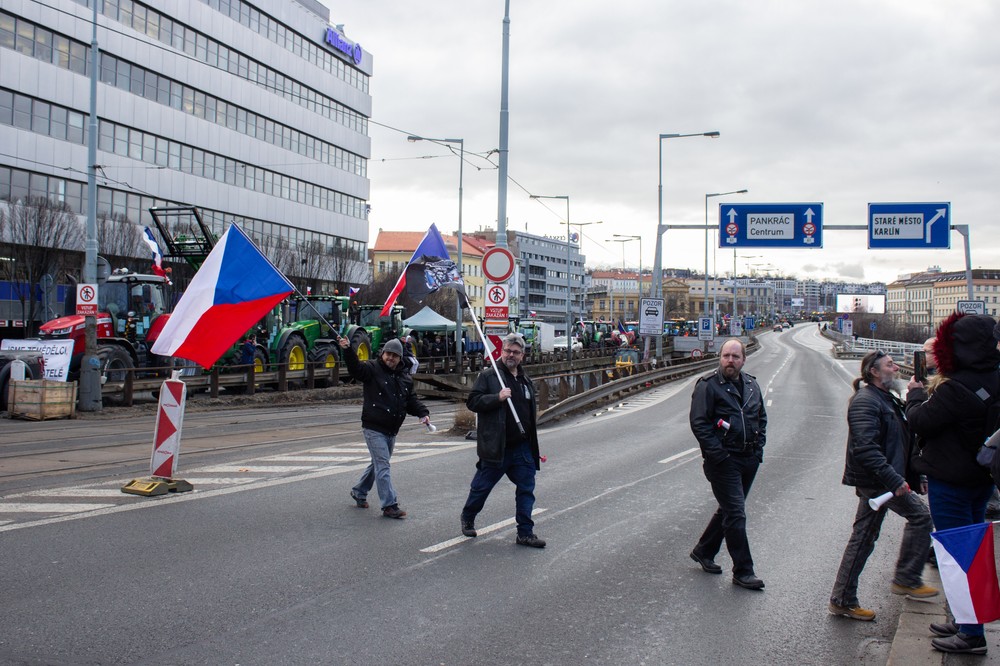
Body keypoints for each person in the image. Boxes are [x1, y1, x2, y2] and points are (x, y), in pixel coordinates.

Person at [906, 313, 1000, 655]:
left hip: (952, 483)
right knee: (973, 552)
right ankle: (964, 619)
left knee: (957, 556)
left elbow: (921, 422)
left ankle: (972, 634)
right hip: (982, 479)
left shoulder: (956, 388)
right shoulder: (995, 377)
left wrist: (915, 396)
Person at [829, 350, 936, 622]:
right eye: (890, 365)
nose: (896, 367)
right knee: (921, 517)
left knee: (863, 537)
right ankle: (906, 577)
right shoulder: (866, 401)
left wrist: (914, 476)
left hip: (881, 480)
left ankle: (842, 599)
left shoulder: (887, 398)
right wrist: (895, 480)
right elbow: (865, 449)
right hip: (878, 482)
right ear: (875, 372)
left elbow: (902, 441)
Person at [688, 338, 767, 590]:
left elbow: (761, 418)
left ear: (744, 359)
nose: (730, 361)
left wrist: (758, 449)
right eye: (726, 356)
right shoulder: (708, 386)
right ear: (719, 358)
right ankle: (743, 571)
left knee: (729, 509)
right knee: (735, 513)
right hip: (723, 461)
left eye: (735, 356)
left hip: (748, 458)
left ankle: (704, 550)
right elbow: (699, 423)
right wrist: (718, 454)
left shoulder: (752, 386)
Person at [460, 332, 545, 548]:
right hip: (497, 447)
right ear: (501, 351)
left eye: (516, 352)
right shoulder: (490, 376)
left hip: (522, 447)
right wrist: (496, 398)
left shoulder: (525, 380)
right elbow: (473, 402)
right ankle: (468, 516)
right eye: (508, 351)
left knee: (526, 488)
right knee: (482, 488)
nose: (511, 355)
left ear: (522, 356)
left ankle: (525, 533)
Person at [338, 336, 430, 519]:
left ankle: (359, 491)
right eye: (388, 354)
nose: (391, 358)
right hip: (374, 427)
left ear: (400, 358)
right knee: (383, 465)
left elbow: (410, 400)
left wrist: (423, 413)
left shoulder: (404, 377)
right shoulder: (372, 369)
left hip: (391, 429)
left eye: (395, 355)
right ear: (383, 353)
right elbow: (356, 369)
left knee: (378, 464)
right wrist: (348, 350)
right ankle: (389, 505)